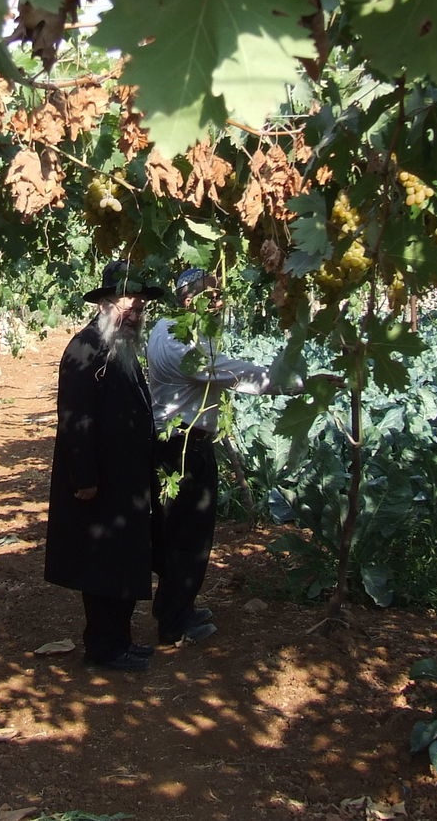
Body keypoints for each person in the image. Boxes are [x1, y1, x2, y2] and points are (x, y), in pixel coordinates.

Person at [146, 267, 304, 647]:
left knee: (179, 531)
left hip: (177, 441)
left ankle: (176, 605)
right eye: (211, 296)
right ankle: (173, 621)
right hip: (184, 446)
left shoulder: (165, 328)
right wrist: (297, 382)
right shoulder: (178, 343)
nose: (219, 303)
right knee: (190, 534)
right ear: (190, 299)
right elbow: (233, 374)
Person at [45, 260, 164, 672]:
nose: (135, 308)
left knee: (125, 560)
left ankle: (120, 640)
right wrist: (84, 478)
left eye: (140, 300)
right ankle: (103, 647)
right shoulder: (86, 347)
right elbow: (75, 417)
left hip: (124, 480)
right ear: (106, 302)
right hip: (99, 482)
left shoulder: (121, 348)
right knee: (102, 565)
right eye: (127, 299)